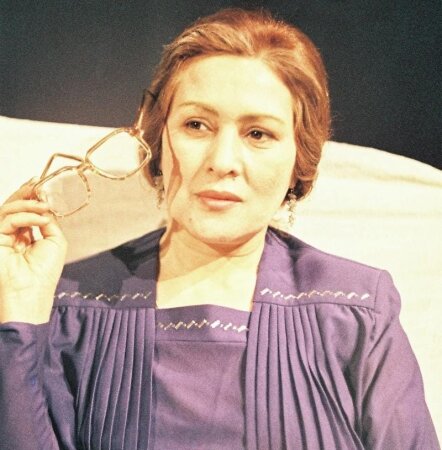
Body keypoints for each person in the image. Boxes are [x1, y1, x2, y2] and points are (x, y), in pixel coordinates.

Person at [0, 8, 439, 450]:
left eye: (258, 134)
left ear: (299, 158)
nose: (222, 161)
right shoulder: (72, 307)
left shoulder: (357, 311)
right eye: (196, 125)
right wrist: (18, 308)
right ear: (156, 140)